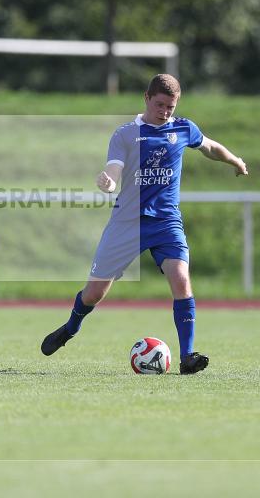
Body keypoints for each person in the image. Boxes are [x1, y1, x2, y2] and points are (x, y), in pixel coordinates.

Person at [40, 74, 249, 374]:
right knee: (94, 293)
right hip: (127, 223)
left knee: (181, 280)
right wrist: (109, 181)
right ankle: (71, 327)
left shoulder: (183, 128)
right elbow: (114, 167)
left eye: (171, 107)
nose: (165, 112)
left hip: (166, 222)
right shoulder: (125, 134)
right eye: (160, 104)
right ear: (146, 98)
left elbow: (211, 147)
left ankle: (187, 357)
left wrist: (236, 161)